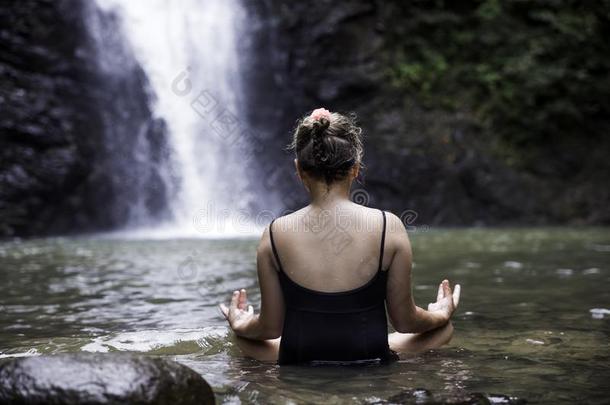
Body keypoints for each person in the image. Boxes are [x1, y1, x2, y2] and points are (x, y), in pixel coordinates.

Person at [219, 108, 461, 365]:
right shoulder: (388, 226)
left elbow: (270, 329)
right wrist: (441, 314)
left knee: (242, 338)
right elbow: (406, 322)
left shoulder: (275, 233)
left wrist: (240, 321)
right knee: (443, 331)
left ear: (299, 170)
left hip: (299, 358)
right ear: (355, 169)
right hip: (369, 356)